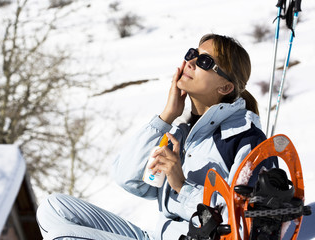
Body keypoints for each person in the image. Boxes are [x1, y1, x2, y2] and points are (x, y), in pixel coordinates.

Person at [36, 33, 277, 240]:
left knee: (62, 236)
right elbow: (128, 179)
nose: (191, 61)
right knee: (52, 208)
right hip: (153, 236)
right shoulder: (182, 131)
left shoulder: (244, 140)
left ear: (225, 88)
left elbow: (244, 224)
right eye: (192, 53)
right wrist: (166, 117)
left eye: (204, 61)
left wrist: (181, 186)